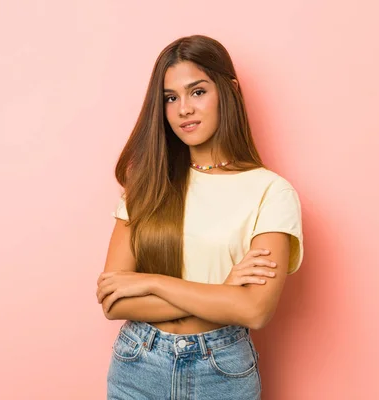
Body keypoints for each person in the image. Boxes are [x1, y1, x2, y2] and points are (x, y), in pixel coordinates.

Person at [96, 34, 304, 400]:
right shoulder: (148, 184)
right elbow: (115, 302)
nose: (183, 109)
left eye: (197, 92)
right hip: (137, 366)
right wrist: (224, 292)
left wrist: (153, 283)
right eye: (171, 98)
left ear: (230, 91)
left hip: (222, 372)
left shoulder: (271, 192)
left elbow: (255, 310)